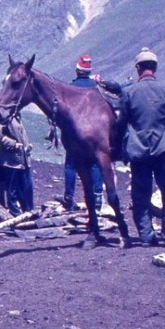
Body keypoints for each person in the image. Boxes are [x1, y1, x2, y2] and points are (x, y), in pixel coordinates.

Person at [115, 47, 165, 249]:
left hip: (139, 152)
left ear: (138, 68)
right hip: (163, 151)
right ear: (155, 68)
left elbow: (122, 123)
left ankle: (146, 236)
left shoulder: (129, 92)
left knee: (140, 194)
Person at [59, 54, 104, 212]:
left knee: (71, 165)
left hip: (74, 135)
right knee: (95, 164)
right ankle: (97, 197)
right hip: (93, 134)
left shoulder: (70, 88)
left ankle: (69, 197)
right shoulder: (97, 88)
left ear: (78, 71)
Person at [0, 111, 34, 216]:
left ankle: (26, 210)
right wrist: (13, 144)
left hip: (21, 160)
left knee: (23, 187)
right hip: (10, 160)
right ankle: (13, 212)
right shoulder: (5, 116)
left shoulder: (16, 115)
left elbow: (19, 134)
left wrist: (27, 145)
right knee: (9, 188)